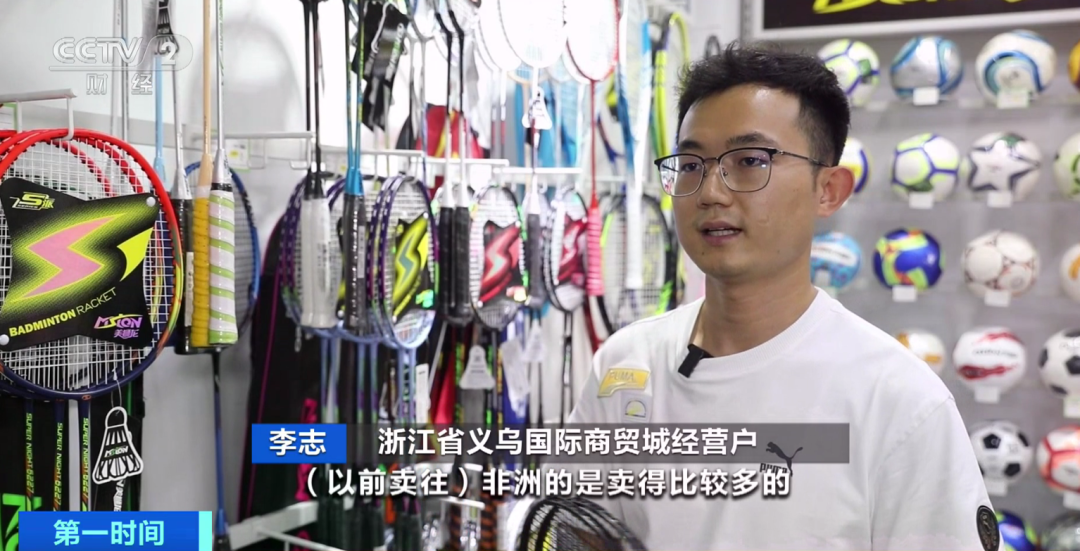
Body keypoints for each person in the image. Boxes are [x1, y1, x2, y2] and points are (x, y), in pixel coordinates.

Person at [568, 42, 993, 551]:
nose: (711, 192)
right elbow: (577, 533)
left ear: (828, 190)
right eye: (691, 164)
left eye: (750, 160)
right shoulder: (625, 364)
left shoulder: (899, 400)